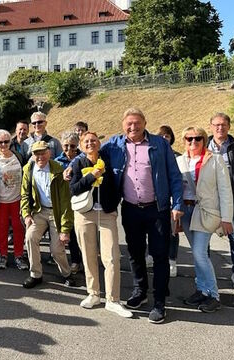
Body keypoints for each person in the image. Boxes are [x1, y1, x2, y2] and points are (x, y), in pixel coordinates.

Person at [100, 108, 183, 324]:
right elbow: (89, 152)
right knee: (135, 253)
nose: (133, 127)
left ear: (145, 123)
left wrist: (178, 204)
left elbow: (174, 175)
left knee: (159, 255)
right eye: (129, 123)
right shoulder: (114, 144)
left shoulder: (159, 144)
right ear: (122, 125)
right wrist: (70, 165)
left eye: (137, 123)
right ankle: (140, 291)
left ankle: (159, 302)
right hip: (130, 208)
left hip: (157, 209)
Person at [70, 132, 132, 318]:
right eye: (86, 141)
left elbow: (118, 183)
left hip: (106, 213)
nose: (90, 143)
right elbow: (73, 189)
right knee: (88, 255)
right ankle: (93, 294)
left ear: (99, 143)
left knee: (112, 256)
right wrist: (92, 177)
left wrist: (113, 204)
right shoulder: (78, 163)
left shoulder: (108, 161)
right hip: (84, 213)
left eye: (93, 140)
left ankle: (113, 300)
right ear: (81, 146)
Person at [176, 126, 233, 313]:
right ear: (184, 141)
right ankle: (202, 289)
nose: (193, 142)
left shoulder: (215, 160)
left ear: (204, 140)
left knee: (200, 253)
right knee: (196, 254)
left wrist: (226, 218)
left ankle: (214, 295)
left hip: (205, 212)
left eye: (197, 138)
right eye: (189, 139)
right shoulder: (179, 161)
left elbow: (225, 191)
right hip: (186, 211)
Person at [20, 141, 75, 289]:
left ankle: (67, 273)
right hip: (39, 211)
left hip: (56, 211)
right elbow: (24, 194)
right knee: (30, 237)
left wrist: (65, 229)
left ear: (49, 153)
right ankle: (35, 275)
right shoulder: (28, 169)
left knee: (57, 249)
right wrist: (26, 214)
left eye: (43, 153)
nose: (40, 157)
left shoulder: (58, 170)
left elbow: (65, 202)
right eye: (37, 153)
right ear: (32, 155)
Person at [207, 112, 234, 292]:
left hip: (231, 202)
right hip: (208, 203)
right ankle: (207, 273)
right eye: (216, 125)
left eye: (223, 125)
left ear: (229, 127)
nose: (220, 128)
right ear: (211, 127)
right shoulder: (203, 147)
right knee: (205, 239)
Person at [0, 130, 28, 270]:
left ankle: (19, 256)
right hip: (1, 201)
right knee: (1, 229)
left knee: (18, 228)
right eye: (0, 142)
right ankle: (3, 256)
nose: (3, 145)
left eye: (6, 142)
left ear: (10, 142)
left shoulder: (19, 157)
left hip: (17, 200)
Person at [55, 131, 83, 274]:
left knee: (82, 233)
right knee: (69, 232)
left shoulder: (83, 158)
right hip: (65, 201)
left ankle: (84, 259)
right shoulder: (57, 161)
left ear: (77, 145)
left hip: (81, 200)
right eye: (66, 146)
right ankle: (75, 261)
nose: (69, 150)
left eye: (72, 146)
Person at [156, 125, 181, 277]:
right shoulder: (154, 153)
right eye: (162, 136)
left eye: (167, 136)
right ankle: (152, 255)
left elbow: (178, 178)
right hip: (157, 198)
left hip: (172, 197)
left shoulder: (177, 156)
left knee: (173, 231)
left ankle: (172, 260)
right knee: (155, 229)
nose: (165, 138)